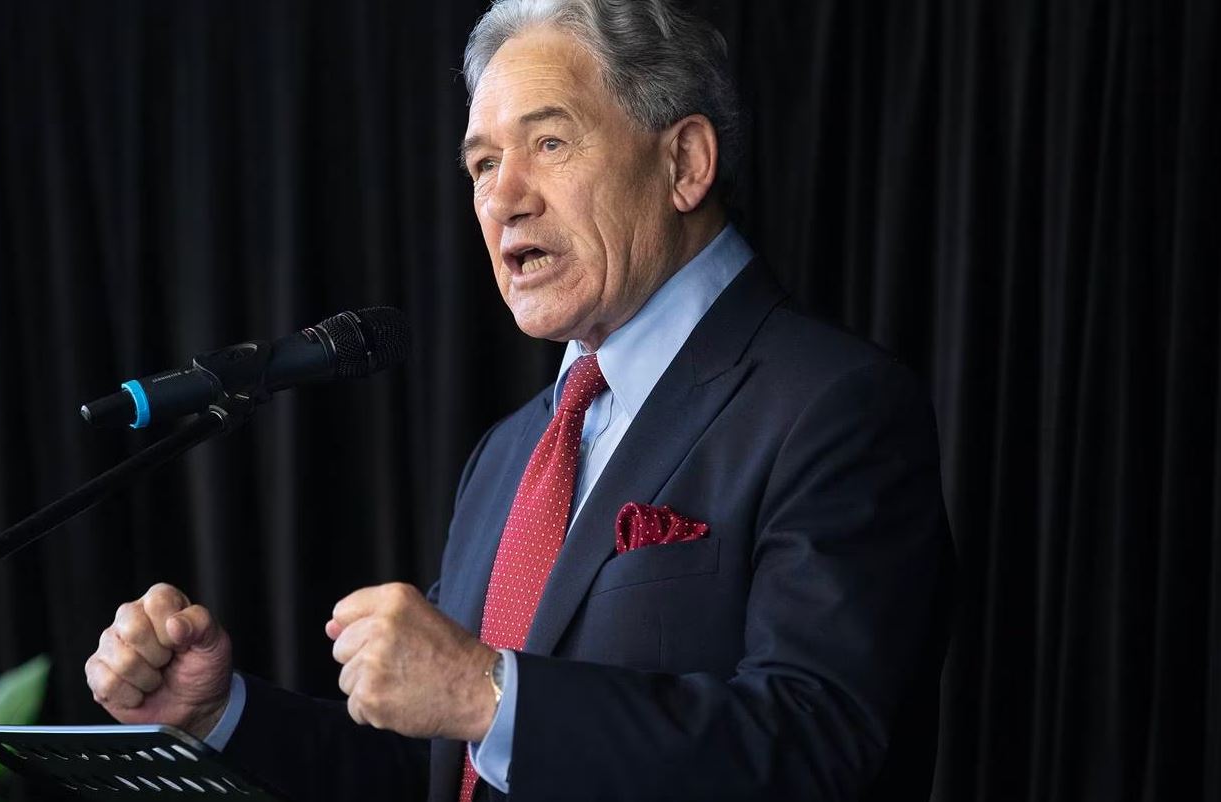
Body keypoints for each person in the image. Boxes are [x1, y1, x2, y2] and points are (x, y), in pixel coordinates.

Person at [84, 1, 954, 800]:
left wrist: (488, 692)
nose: (502, 199)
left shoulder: (832, 404)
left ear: (684, 162)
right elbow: (438, 773)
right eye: (483, 163)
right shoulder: (512, 452)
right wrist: (216, 718)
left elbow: (820, 748)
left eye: (548, 144)